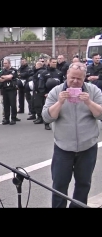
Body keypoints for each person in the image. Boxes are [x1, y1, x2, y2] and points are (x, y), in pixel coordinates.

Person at [42, 62, 102, 208]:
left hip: (87, 147)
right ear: (66, 76)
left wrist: (88, 102)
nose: (75, 82)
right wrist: (60, 102)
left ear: (84, 79)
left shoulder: (93, 90)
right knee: (59, 185)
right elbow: (47, 117)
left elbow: (100, 114)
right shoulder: (56, 92)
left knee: (83, 184)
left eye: (79, 79)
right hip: (63, 147)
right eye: (72, 78)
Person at [37, 57, 63, 130]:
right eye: (53, 62)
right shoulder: (44, 73)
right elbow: (41, 84)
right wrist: (44, 93)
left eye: (56, 62)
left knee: (58, 108)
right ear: (49, 63)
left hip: (57, 94)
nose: (55, 64)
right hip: (47, 94)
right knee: (47, 109)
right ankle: (46, 123)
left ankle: (58, 122)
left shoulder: (59, 73)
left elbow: (62, 83)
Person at [0, 59, 20, 125]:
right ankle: (6, 118)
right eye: (4, 63)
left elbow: (10, 77)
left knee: (13, 104)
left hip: (12, 89)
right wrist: (5, 78)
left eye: (6, 63)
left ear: (9, 63)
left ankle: (13, 118)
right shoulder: (2, 71)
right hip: (4, 89)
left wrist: (4, 78)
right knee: (6, 105)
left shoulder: (13, 70)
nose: (4, 65)